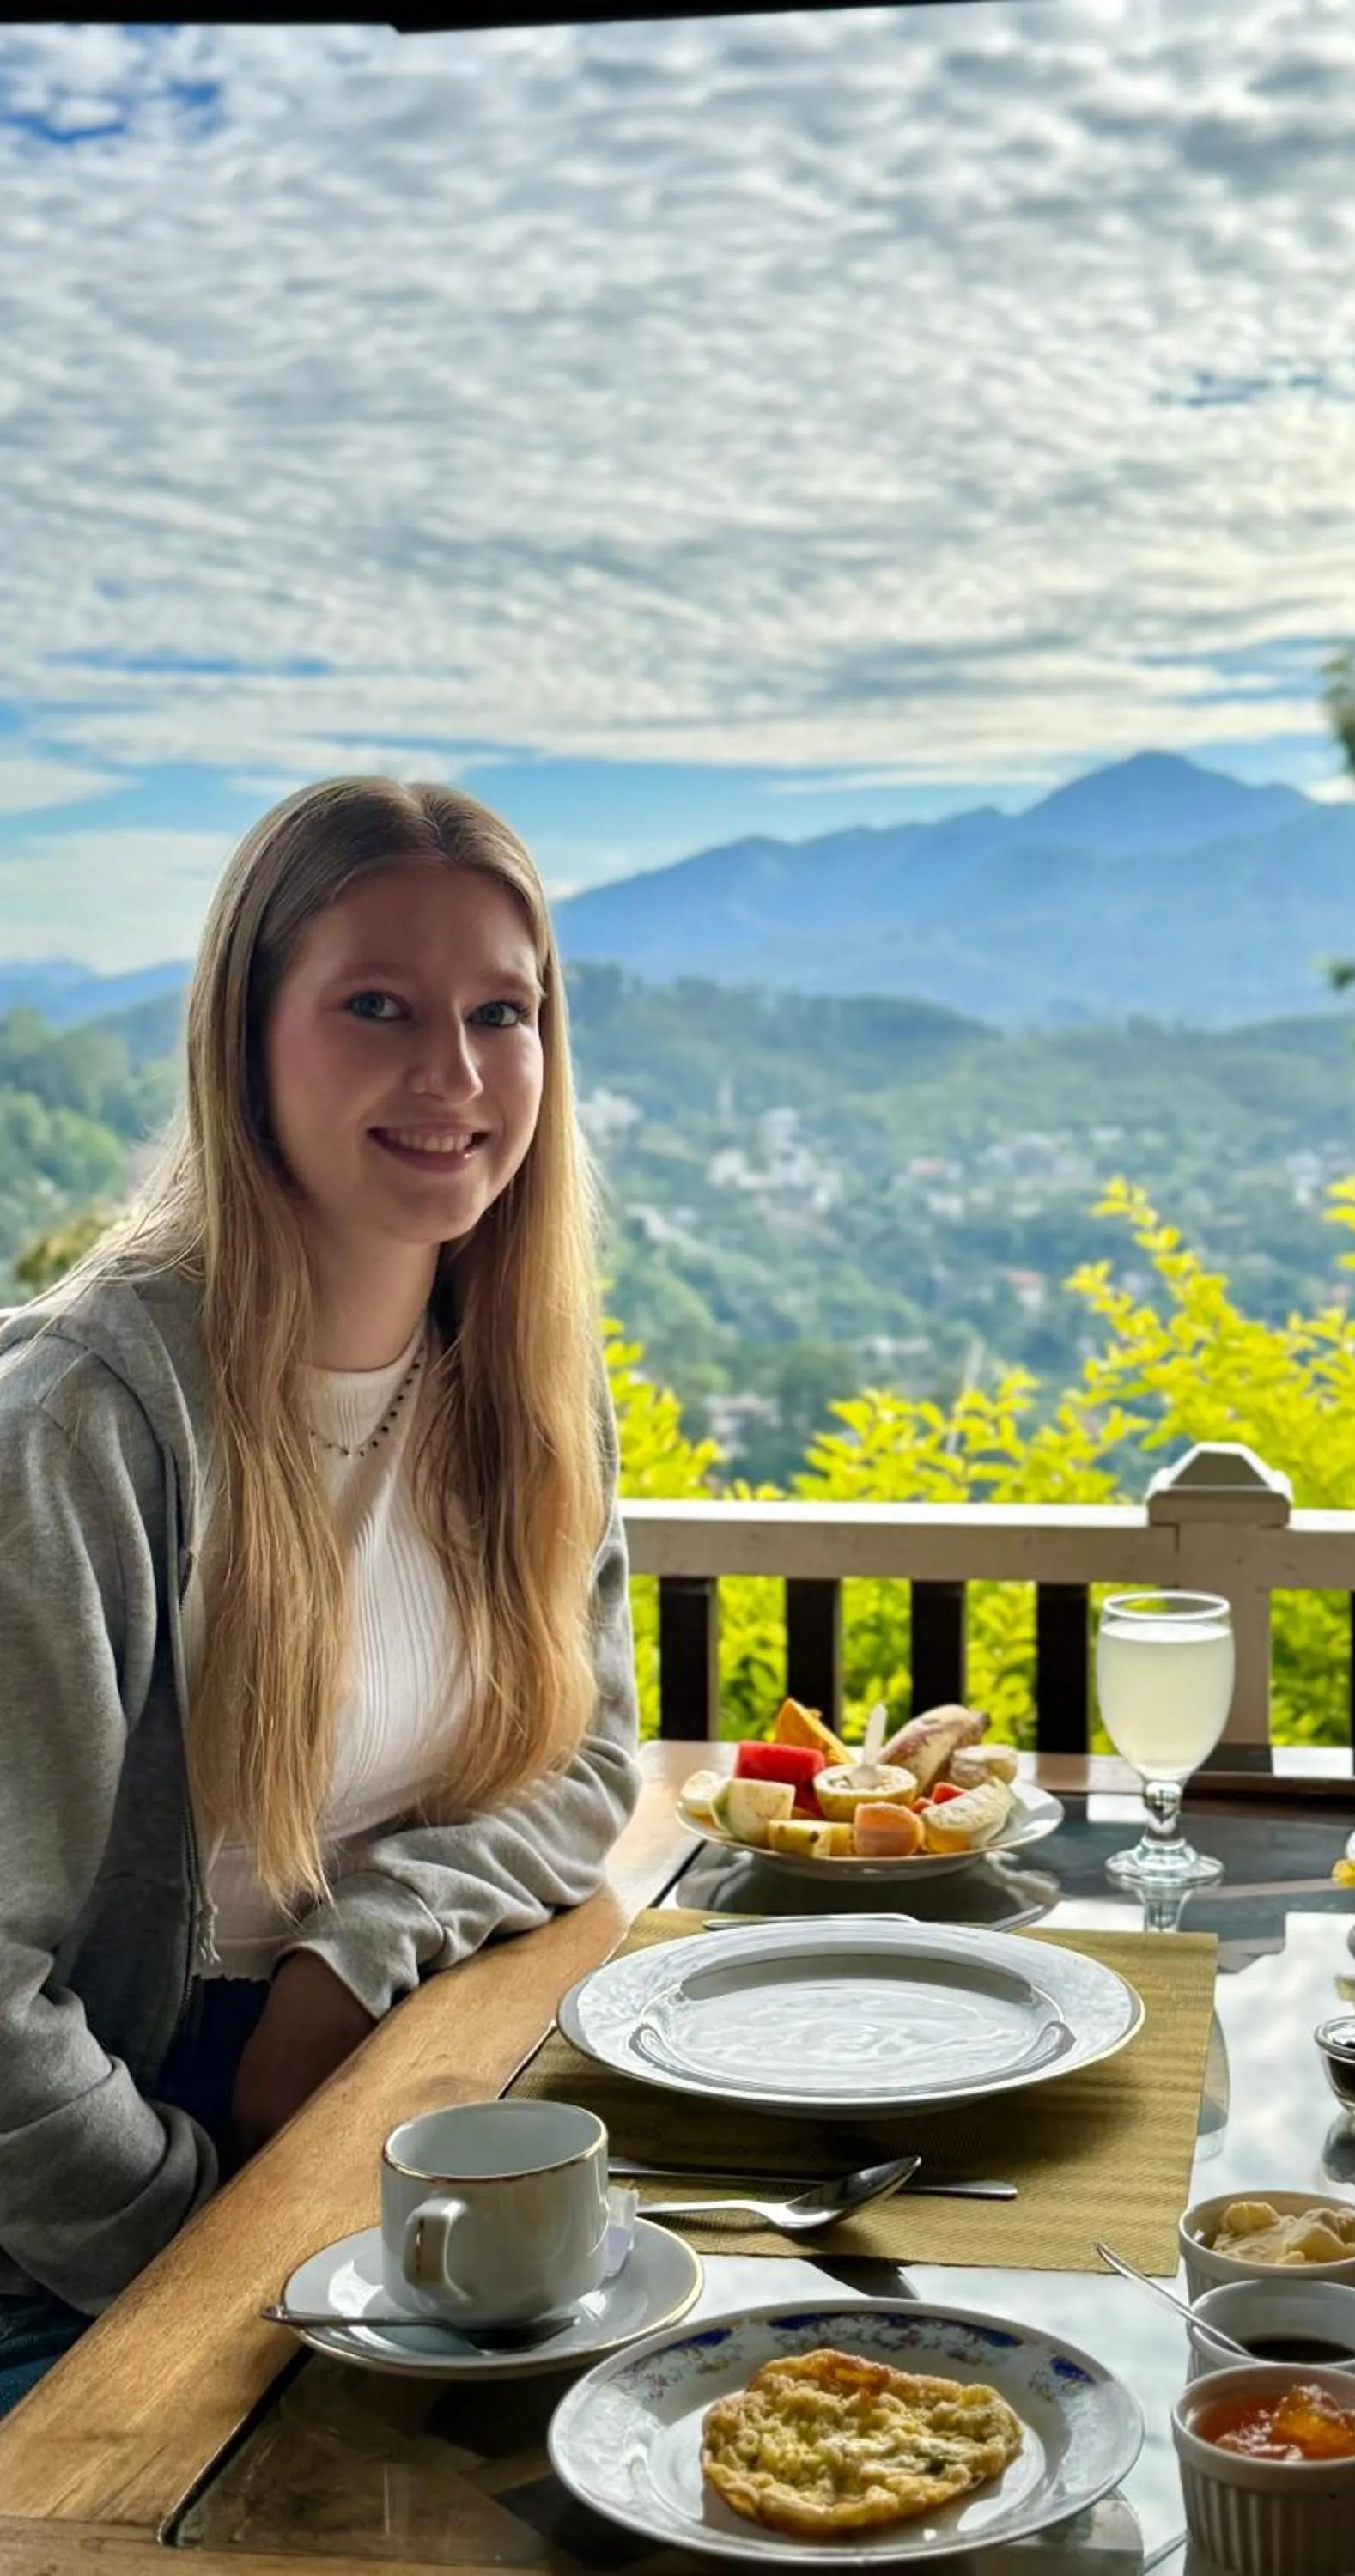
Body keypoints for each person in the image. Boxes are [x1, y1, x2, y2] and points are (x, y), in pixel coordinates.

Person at [0, 778, 643, 2417]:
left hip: (401, 2122)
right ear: (246, 1038)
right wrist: (200, 2234)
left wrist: (354, 1958)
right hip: (82, 2236)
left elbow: (585, 1766)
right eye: (378, 1006)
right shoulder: (79, 1431)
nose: (456, 1073)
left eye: (504, 1012)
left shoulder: (529, 1389)